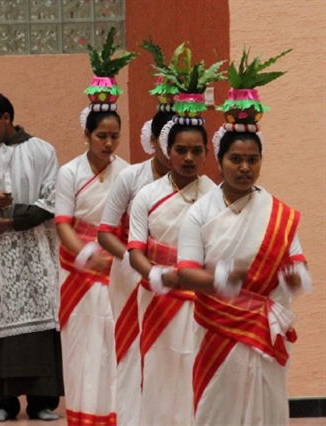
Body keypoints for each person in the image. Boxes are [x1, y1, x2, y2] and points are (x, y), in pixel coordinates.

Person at [177, 69, 309, 425]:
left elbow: (296, 261)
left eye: (253, 160)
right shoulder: (200, 213)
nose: (245, 168)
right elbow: (185, 273)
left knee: (265, 412)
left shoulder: (277, 213)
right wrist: (220, 277)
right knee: (216, 411)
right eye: (236, 159)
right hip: (216, 332)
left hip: (264, 333)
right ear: (219, 161)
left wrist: (294, 279)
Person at [0, 93, 64, 422]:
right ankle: (2, 403)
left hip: (33, 250)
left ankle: (41, 402)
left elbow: (51, 200)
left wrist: (11, 220)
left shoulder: (41, 151)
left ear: (7, 118)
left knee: (40, 321)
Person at [127, 116, 216, 425]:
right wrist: (155, 275)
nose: (189, 158)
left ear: (207, 153)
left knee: (197, 370)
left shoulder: (216, 197)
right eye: (181, 150)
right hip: (156, 299)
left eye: (196, 150)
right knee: (158, 373)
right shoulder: (147, 196)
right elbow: (135, 250)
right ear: (167, 150)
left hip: (202, 298)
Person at [97, 110, 173, 426]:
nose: (178, 153)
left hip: (176, 277)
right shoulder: (131, 178)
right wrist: (135, 259)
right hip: (131, 274)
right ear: (153, 141)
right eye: (170, 143)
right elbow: (105, 231)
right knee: (132, 352)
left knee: (170, 348)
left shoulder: (197, 184)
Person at [55, 106, 128, 425]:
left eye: (114, 136)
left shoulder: (127, 173)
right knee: (82, 349)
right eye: (101, 136)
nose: (108, 143)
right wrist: (86, 255)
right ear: (86, 135)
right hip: (77, 271)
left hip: (116, 270)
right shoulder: (69, 172)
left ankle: (116, 415)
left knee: (113, 346)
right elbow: (63, 225)